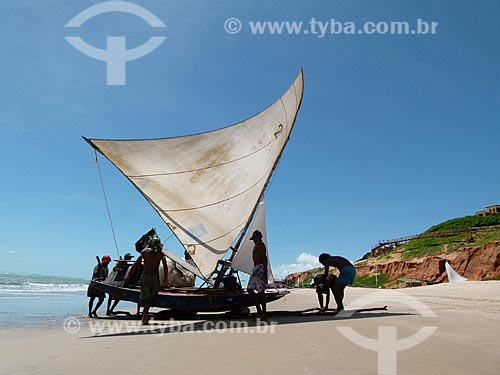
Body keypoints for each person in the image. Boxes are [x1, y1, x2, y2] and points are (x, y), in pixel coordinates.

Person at [125, 238, 168, 325]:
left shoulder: (145, 252)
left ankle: (145, 314)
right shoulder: (160, 253)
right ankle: (145, 315)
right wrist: (165, 278)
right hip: (155, 276)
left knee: (145, 295)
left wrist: (129, 275)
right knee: (152, 295)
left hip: (146, 276)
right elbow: (165, 265)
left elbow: (136, 263)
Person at [246, 230, 268, 319]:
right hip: (258, 268)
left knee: (250, 289)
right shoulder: (258, 245)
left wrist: (264, 272)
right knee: (260, 292)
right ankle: (262, 313)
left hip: (259, 269)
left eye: (254, 238)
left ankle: (260, 311)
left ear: (258, 237)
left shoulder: (260, 245)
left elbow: (264, 257)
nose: (254, 240)